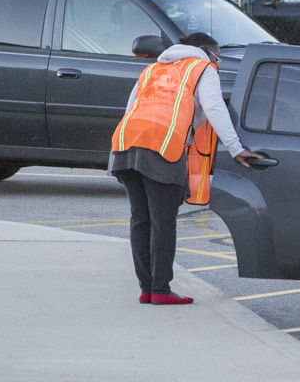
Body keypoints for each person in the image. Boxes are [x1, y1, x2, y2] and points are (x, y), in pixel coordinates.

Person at [109, 32, 261, 305]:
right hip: (163, 145)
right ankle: (161, 289)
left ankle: (147, 288)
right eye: (217, 55)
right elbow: (214, 107)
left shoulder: (153, 68)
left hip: (126, 141)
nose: (218, 61)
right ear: (203, 50)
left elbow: (130, 107)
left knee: (140, 219)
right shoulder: (202, 67)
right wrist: (236, 148)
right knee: (162, 220)